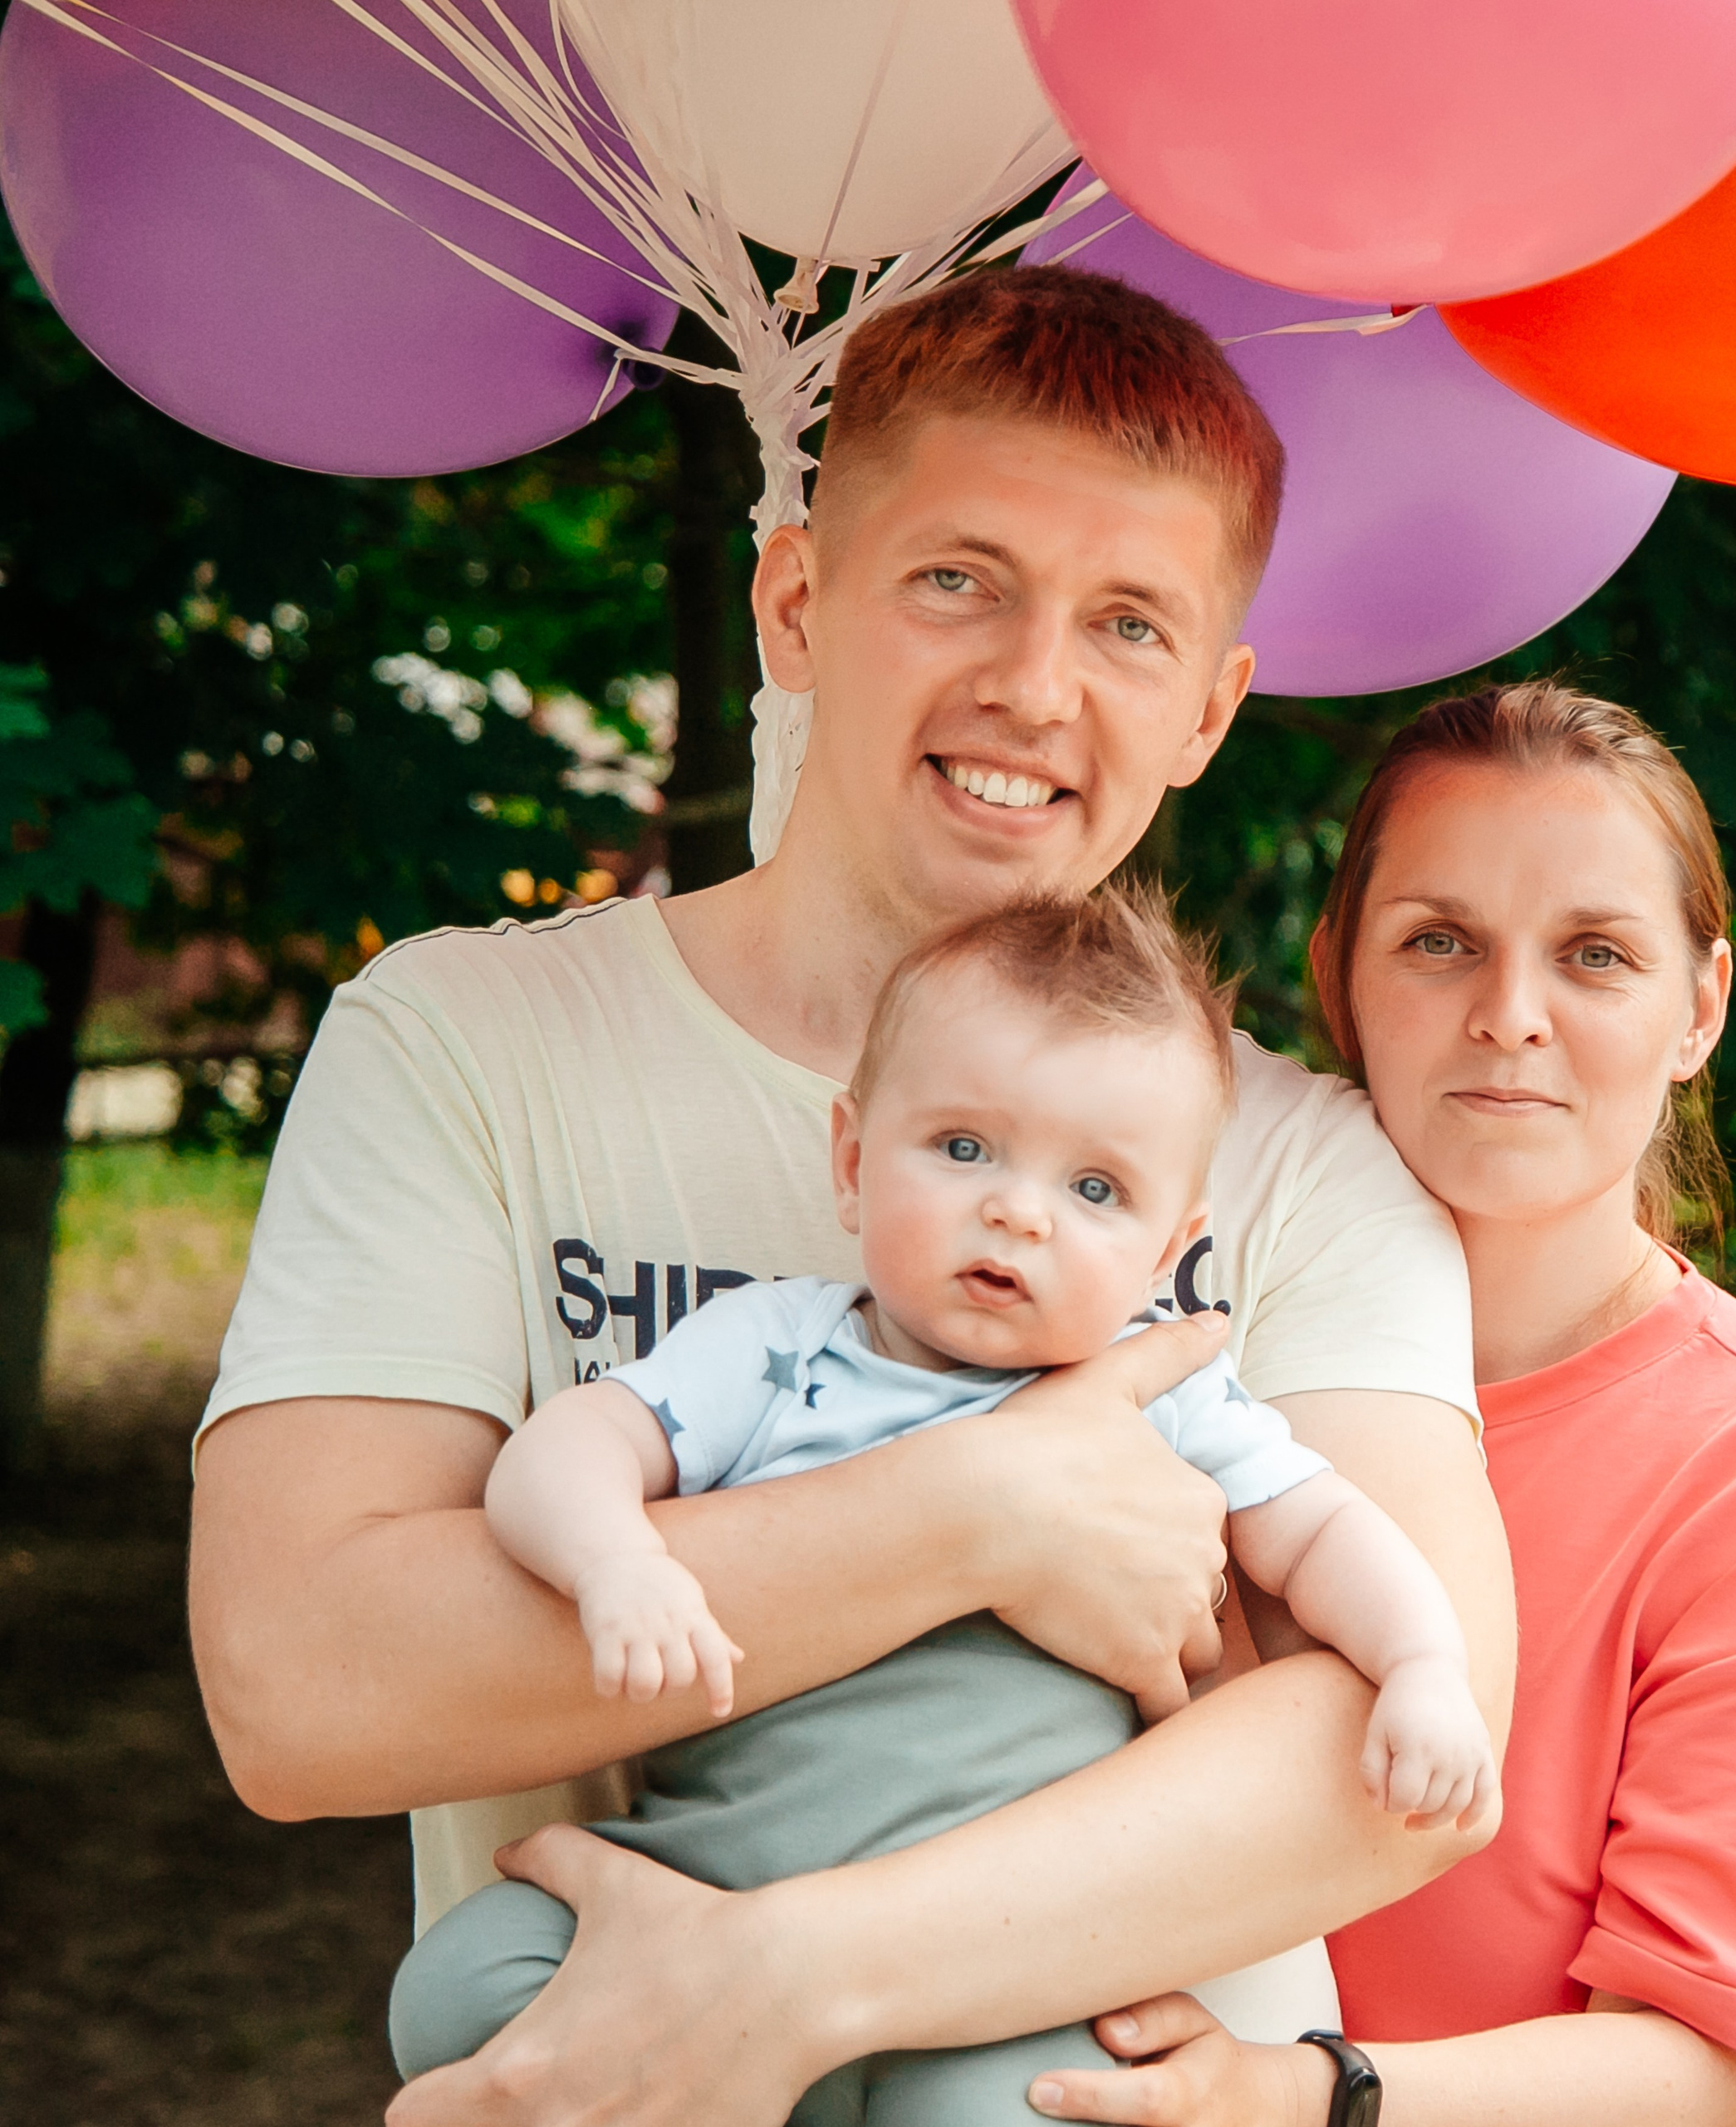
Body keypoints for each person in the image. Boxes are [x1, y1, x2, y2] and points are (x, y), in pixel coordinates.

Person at [189, 266, 1516, 2127]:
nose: (1033, 688)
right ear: (797, 600)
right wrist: (981, 1511)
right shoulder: (468, 1042)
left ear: (1210, 710)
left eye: (1129, 623)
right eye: (958, 579)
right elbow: (302, 1686)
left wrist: (791, 1986)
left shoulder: (1308, 1168)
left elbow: (1398, 1763)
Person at [389, 886, 1495, 2119]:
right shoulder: (776, 1349)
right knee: (456, 1986)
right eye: (965, 1149)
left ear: (1167, 1249)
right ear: (853, 1161)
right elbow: (563, 1449)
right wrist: (615, 1561)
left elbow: (1328, 1532)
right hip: (703, 1876)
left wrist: (1423, 1666)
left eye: (1095, 1190)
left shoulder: (1170, 1397)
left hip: (995, 1967)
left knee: (1008, 2110)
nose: (1018, 1209)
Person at [1024, 681, 1736, 2127]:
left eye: (1595, 956)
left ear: (1701, 1007)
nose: (1511, 1018)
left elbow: (1712, 2061)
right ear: (1339, 978)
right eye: (1440, 942)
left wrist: (1302, 2099)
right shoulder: (1167, 1348)